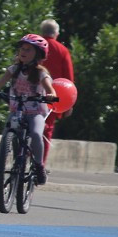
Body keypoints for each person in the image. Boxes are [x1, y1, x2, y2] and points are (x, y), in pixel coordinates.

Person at [0, 34, 57, 186]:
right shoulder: (14, 69)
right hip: (17, 110)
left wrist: (51, 94)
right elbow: (0, 82)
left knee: (36, 134)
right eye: (22, 48)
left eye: (28, 49)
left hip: (35, 112)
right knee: (5, 139)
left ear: (38, 54)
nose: (23, 51)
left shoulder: (41, 72)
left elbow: (50, 88)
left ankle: (39, 167)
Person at [39, 18, 74, 168]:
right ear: (56, 33)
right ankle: (40, 164)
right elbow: (68, 80)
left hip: (30, 91)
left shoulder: (34, 46)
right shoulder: (62, 50)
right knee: (46, 130)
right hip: (52, 96)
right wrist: (69, 103)